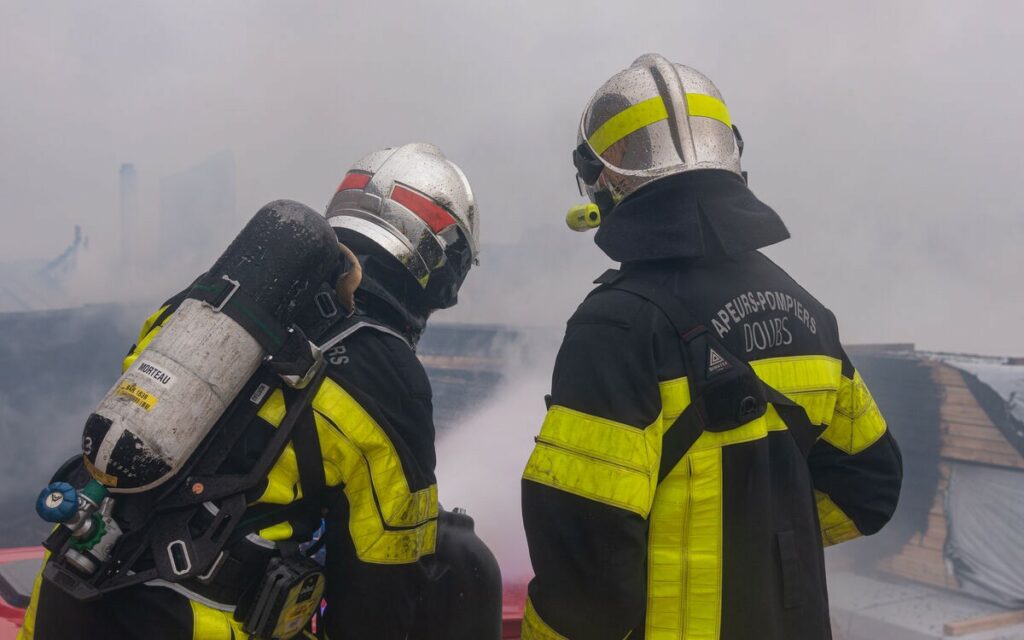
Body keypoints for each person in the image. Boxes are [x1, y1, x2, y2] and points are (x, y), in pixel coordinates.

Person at [20, 143, 493, 639]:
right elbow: (382, 584)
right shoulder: (389, 379)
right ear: (437, 265)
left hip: (64, 598)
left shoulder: (204, 300)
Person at [520, 54, 903, 640]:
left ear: (604, 180)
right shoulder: (807, 313)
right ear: (730, 157)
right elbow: (870, 486)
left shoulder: (615, 327)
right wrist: (761, 549)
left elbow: (586, 571)